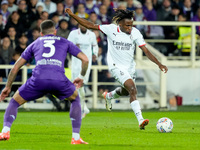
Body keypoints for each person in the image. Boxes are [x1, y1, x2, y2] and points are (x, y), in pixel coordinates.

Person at [65, 8, 168, 130]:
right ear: (120, 24)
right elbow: (90, 25)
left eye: (131, 25)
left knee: (126, 91)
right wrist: (72, 15)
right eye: (127, 25)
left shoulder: (135, 33)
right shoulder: (111, 29)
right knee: (133, 89)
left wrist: (159, 64)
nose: (130, 28)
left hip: (129, 67)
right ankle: (140, 120)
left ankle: (109, 96)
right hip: (116, 66)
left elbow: (145, 50)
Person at [0, 20, 89, 144]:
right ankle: (75, 137)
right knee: (75, 99)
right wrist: (81, 76)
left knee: (14, 102)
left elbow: (15, 67)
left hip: (38, 80)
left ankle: (5, 130)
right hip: (59, 80)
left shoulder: (35, 43)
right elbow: (85, 60)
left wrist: (7, 87)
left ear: (41, 33)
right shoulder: (64, 41)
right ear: (55, 31)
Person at [68, 24, 98, 118]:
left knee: (81, 84)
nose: (83, 26)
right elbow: (68, 46)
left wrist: (95, 54)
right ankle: (82, 107)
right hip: (75, 63)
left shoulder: (92, 35)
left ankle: (81, 107)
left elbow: (95, 46)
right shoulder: (73, 34)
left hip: (86, 64)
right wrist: (74, 46)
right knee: (76, 85)